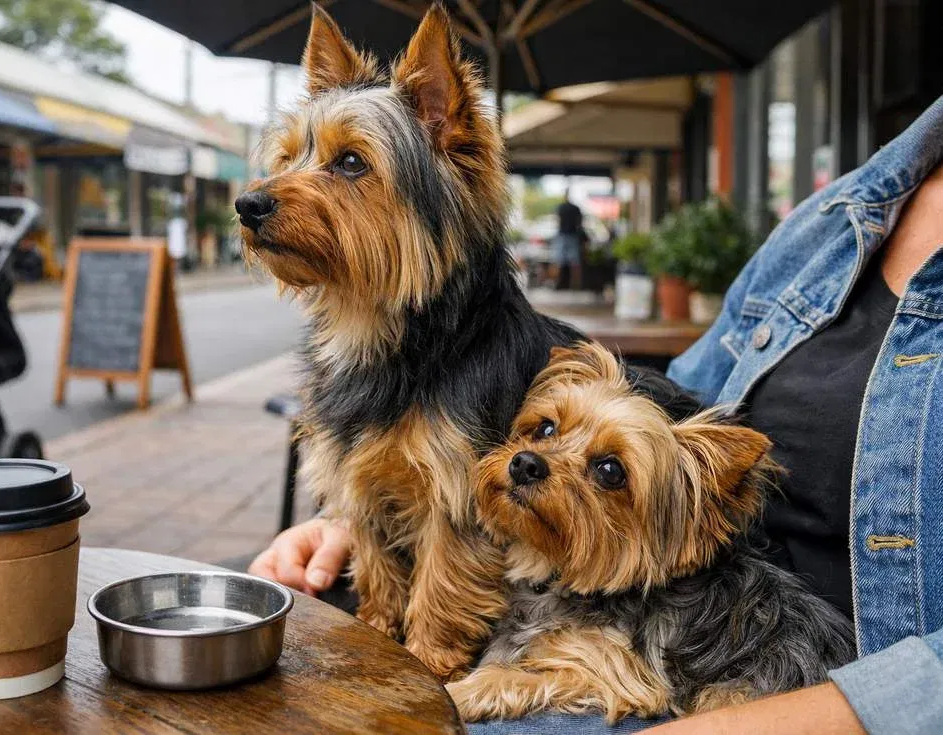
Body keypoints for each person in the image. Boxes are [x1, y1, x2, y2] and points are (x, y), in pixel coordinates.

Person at [250, 96, 943, 734]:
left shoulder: (688, 511)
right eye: (541, 431)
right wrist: (368, 514)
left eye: (606, 468)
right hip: (564, 591)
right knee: (272, 652)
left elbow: (670, 458)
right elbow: (672, 398)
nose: (533, 453)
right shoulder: (833, 220)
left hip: (735, 688)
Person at [552, 188, 583, 290]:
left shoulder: (560, 207)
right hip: (573, 235)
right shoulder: (576, 208)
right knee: (575, 262)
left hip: (562, 235)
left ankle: (557, 283)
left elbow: (557, 221)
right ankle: (576, 285)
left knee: (559, 261)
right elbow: (579, 223)